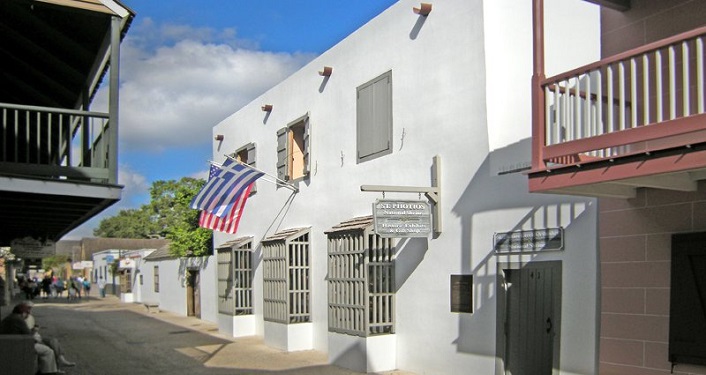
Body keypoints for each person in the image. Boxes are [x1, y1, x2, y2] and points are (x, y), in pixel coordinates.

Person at [0, 303, 61, 374]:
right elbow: (29, 335)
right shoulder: (19, 320)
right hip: (19, 345)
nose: (27, 316)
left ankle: (44, 369)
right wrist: (34, 331)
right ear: (23, 313)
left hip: (8, 343)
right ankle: (48, 372)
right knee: (48, 351)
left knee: (43, 344)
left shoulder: (9, 318)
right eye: (27, 314)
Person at [22, 302, 76, 368]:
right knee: (49, 345)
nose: (29, 311)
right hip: (31, 338)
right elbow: (26, 332)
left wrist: (35, 329)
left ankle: (62, 360)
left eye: (30, 309)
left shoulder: (30, 317)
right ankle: (54, 365)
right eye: (28, 308)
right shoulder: (21, 318)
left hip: (36, 335)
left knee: (53, 341)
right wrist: (33, 331)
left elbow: (32, 327)